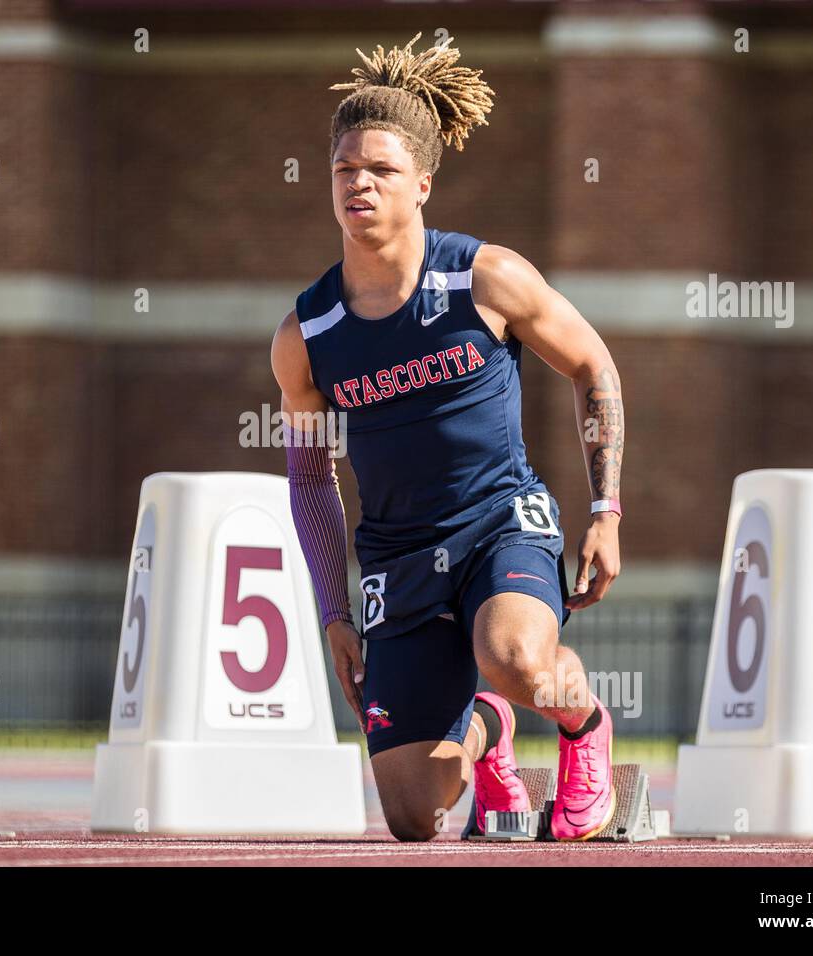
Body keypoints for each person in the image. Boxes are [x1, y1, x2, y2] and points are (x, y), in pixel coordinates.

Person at [270, 33, 626, 841]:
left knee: (515, 658)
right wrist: (333, 611)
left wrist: (604, 508)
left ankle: (583, 728)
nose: (358, 182)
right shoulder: (307, 334)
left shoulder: (484, 279)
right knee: (413, 818)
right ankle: (491, 729)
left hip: (500, 522)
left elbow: (593, 366)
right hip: (397, 555)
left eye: (382, 170)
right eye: (344, 170)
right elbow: (310, 481)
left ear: (422, 184)